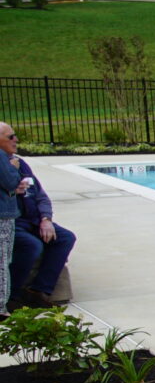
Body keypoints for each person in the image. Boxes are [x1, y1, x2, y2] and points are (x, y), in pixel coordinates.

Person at [4, 125, 77, 311]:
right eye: (11, 137)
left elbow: (40, 195)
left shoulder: (21, 164)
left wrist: (46, 219)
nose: (16, 140)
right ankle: (12, 295)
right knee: (31, 246)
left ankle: (39, 291)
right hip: (11, 221)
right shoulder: (6, 166)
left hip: (34, 219)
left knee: (65, 237)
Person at [0, 122, 19, 313]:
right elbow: (10, 182)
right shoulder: (1, 158)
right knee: (2, 262)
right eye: (10, 136)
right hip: (2, 217)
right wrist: (12, 167)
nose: (15, 140)